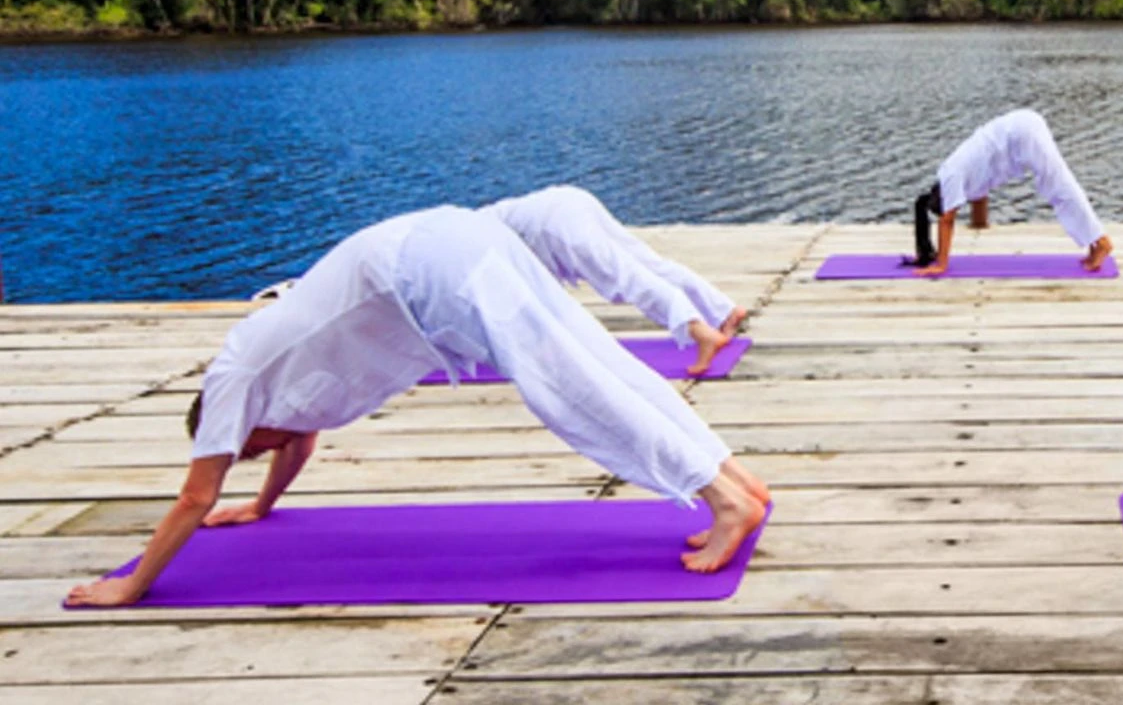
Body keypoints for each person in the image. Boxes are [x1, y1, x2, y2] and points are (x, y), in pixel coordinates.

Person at [64, 206, 769, 608]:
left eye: (248, 452)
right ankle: (731, 479)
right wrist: (259, 508)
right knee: (596, 362)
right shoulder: (271, 389)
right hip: (453, 240)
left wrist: (130, 586)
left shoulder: (232, 378)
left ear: (237, 428)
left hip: (434, 271)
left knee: (571, 390)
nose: (264, 454)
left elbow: (194, 495)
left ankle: (721, 498)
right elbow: (295, 446)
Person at [481, 185, 747, 374]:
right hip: (567, 200)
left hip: (554, 225)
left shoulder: (463, 253)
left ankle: (701, 333)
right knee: (648, 264)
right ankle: (724, 311)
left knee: (629, 278)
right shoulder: (468, 226)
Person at [911, 109, 1112, 276]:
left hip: (1022, 133)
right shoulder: (960, 178)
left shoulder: (950, 176)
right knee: (1056, 184)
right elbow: (979, 198)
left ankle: (1101, 241)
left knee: (1057, 184)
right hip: (1022, 127)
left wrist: (942, 265)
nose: (952, 209)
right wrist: (979, 225)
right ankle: (1093, 243)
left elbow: (947, 221)